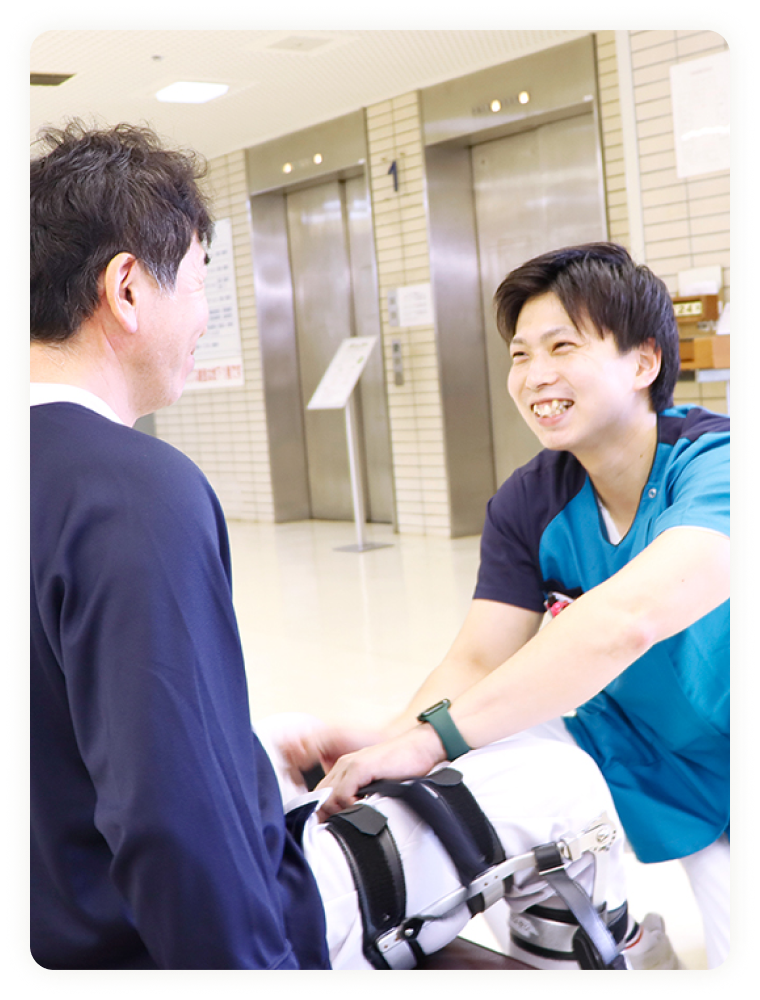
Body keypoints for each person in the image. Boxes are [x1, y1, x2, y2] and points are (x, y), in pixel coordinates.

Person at [28, 123, 637, 973]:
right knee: (563, 787)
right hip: (188, 931)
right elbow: (170, 821)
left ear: (645, 361)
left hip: (58, 911)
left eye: (563, 347)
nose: (204, 314)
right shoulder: (135, 491)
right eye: (201, 281)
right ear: (127, 288)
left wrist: (250, 749)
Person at [283, 243, 731, 968]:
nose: (534, 375)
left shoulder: (718, 465)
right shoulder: (531, 501)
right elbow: (478, 659)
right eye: (521, 355)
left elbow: (626, 622)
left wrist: (428, 739)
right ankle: (619, 939)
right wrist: (393, 743)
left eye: (563, 346)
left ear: (645, 361)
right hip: (633, 746)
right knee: (486, 756)